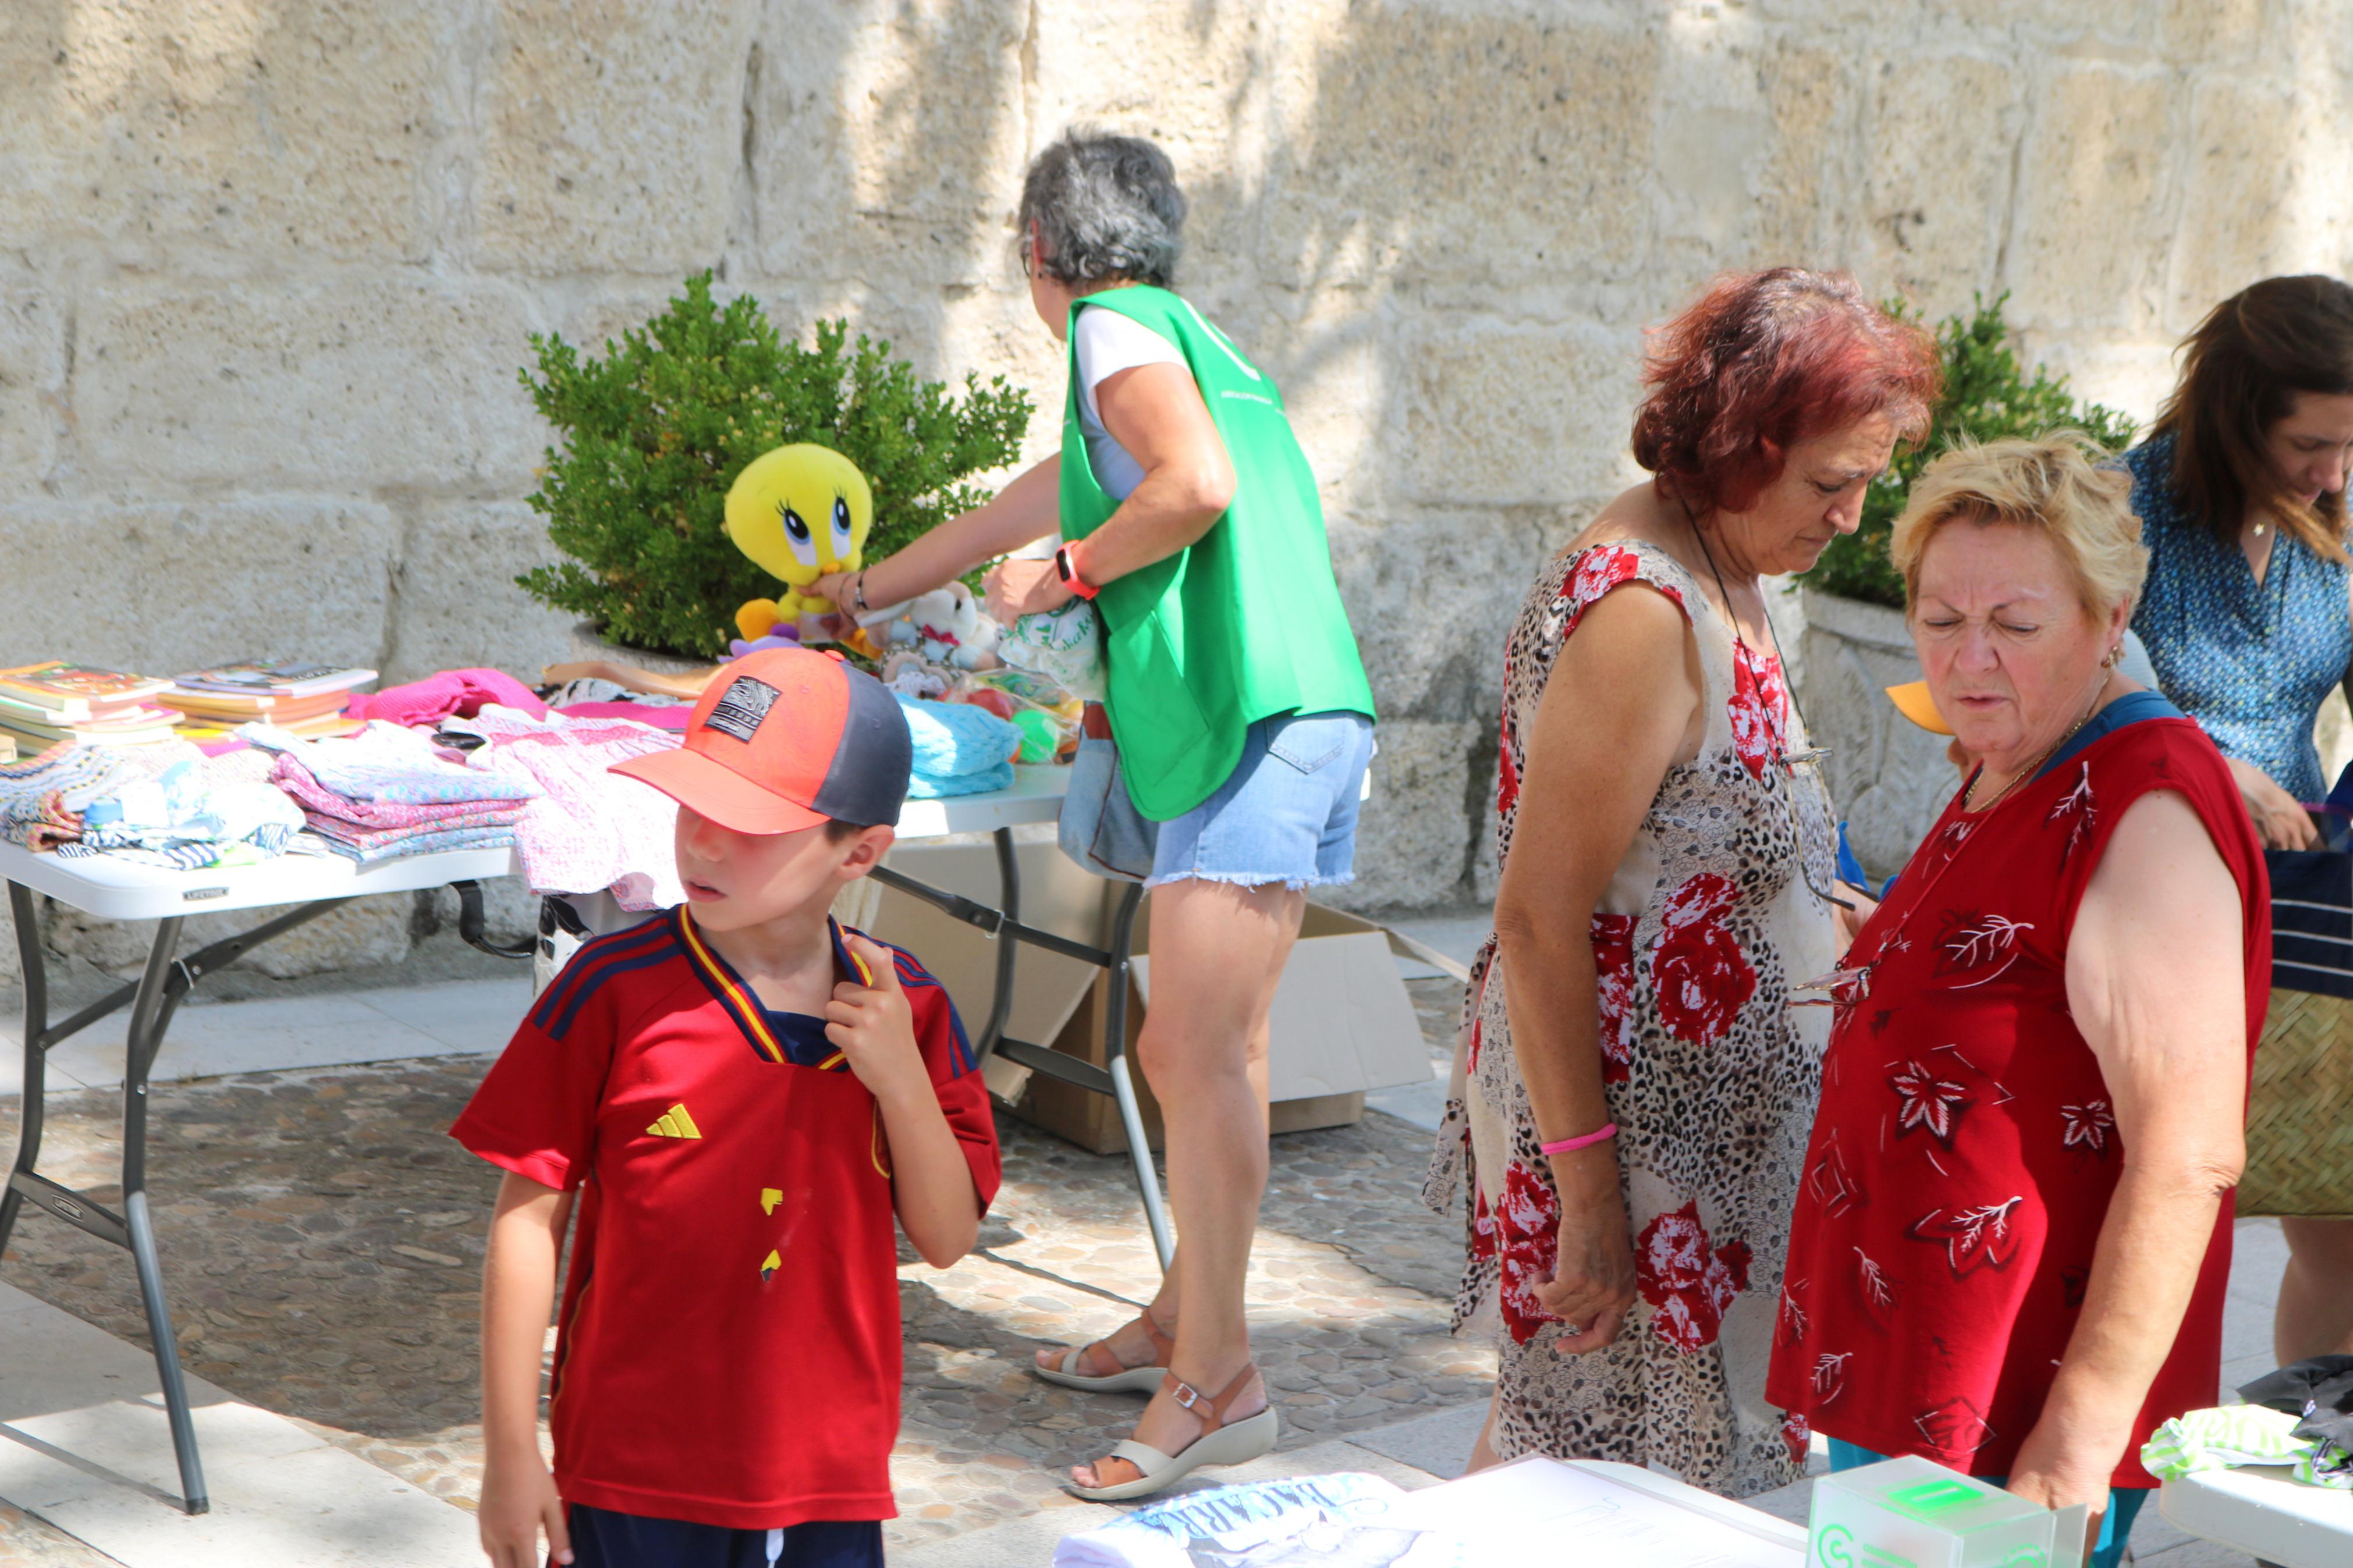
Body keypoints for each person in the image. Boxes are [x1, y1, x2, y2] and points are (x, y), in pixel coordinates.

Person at [811, 130, 1375, 1500]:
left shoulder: (1113, 331)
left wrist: (1066, 573)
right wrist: (873, 588)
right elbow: (1034, 500)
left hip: (1259, 723)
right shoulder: (1178, 339)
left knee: (1192, 1046)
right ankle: (1185, 1318)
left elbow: (1194, 490)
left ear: (1035, 253)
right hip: (1281, 716)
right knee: (1202, 1047)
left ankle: (1222, 1381)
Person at [1421, 268, 1936, 1496]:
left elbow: (1697, 846)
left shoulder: (1727, 552)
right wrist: (1592, 1198)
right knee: (1590, 1476)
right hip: (1628, 1141)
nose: (1854, 517)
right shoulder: (1642, 609)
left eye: (1871, 481)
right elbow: (1542, 921)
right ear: (1739, 445)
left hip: (1702, 1142)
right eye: (1831, 482)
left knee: (1616, 1470)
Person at [1769, 435, 2268, 1568]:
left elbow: (2189, 1153)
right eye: (1940, 621)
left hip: (2013, 1398)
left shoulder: (2145, 810)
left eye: (2017, 624)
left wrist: (2078, 1436)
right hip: (1914, 1366)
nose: (1970, 658)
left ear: (2111, 617)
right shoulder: (2012, 758)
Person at [459, 646, 1001, 1568]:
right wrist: (511, 1453)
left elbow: (947, 1237)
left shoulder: (906, 1005)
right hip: (628, 1471)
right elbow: (528, 1218)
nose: (702, 844)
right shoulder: (610, 988)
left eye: (748, 824)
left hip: (832, 1474)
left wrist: (901, 1081)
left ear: (860, 852)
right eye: (691, 804)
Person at [2116, 274, 2353, 1368]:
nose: (2334, 471)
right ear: (2235, 412)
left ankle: (2299, 1487)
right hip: (2139, 909)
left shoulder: (2340, 517)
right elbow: (2064, 699)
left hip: (2291, 912)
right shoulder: (2122, 513)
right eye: (2312, 443)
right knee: (2160, 1216)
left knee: (2340, 1225)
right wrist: (2213, 768)